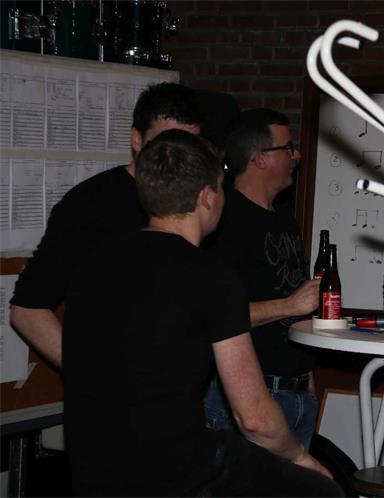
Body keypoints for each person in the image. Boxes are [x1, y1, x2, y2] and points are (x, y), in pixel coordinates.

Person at [63, 129, 340, 497]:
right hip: (176, 475)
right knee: (325, 491)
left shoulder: (93, 265)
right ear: (208, 197)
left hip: (91, 470)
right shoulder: (209, 276)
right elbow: (254, 418)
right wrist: (300, 457)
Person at [9, 82, 202, 367]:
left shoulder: (206, 200)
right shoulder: (89, 204)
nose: (177, 158)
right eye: (165, 144)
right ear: (137, 139)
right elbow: (27, 308)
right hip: (112, 386)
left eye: (189, 146)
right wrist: (89, 371)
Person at [203, 108, 320, 450]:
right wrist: (289, 306)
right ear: (259, 159)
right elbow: (214, 314)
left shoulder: (284, 218)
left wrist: (307, 379)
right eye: (288, 148)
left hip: (297, 394)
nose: (297, 156)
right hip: (251, 399)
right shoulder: (224, 222)